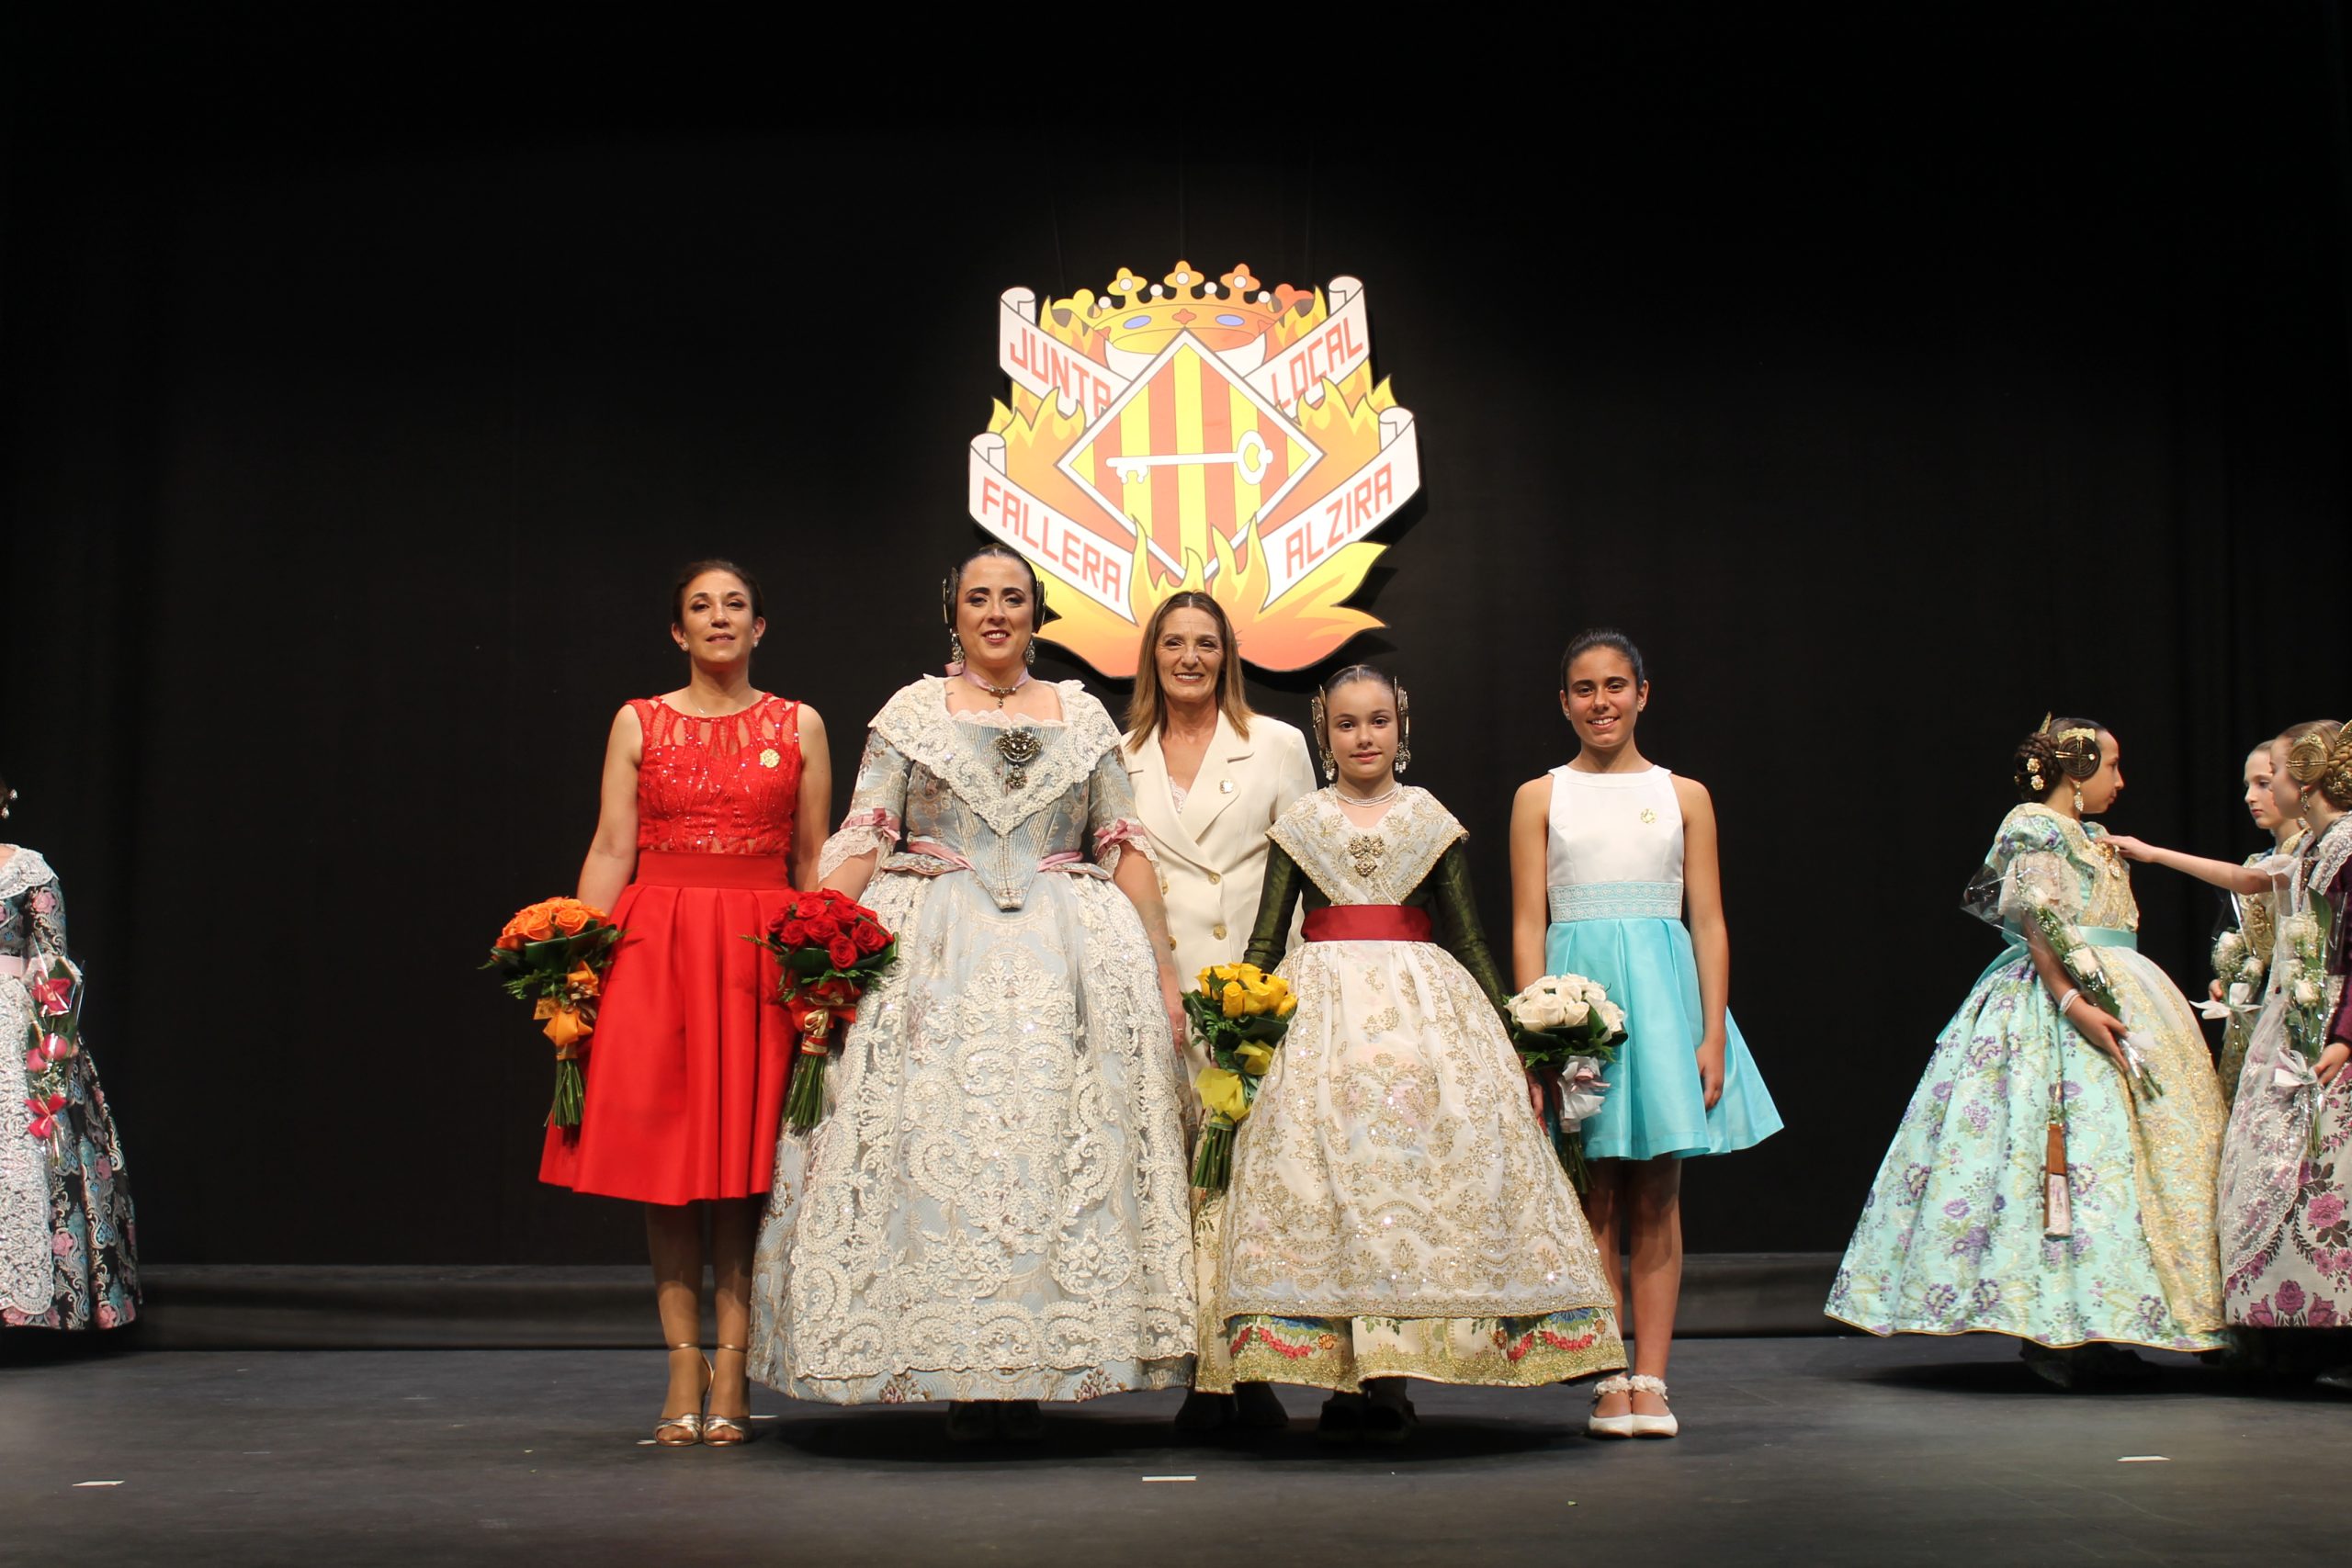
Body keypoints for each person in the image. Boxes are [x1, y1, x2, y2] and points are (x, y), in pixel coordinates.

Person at [746, 544, 1194, 1439]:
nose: (996, 613)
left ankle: (1035, 1368)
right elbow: (868, 832)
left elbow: (1121, 841)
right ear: (952, 613)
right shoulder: (912, 712)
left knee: (1051, 1153)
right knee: (946, 1150)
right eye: (979, 598)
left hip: (1067, 964)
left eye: (1013, 598)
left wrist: (1163, 964)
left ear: (1036, 613)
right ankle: (959, 1370)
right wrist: (818, 932)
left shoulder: (1082, 715)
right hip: (939, 959)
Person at [1201, 665, 1624, 1443]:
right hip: (1322, 1025)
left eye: (1378, 721)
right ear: (1324, 735)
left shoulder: (1430, 819)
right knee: (1333, 1188)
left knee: (1407, 1184)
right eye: (1346, 724)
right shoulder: (1301, 822)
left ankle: (1392, 1381)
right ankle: (1345, 1374)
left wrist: (1517, 1035)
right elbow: (1266, 937)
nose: (1364, 737)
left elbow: (1467, 936)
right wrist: (1237, 1030)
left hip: (1424, 1021)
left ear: (1401, 728)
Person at [1826, 717, 2228, 1385]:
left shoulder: (2093, 836)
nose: (2120, 781)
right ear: (2077, 767)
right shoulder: (2034, 825)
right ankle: (2053, 1332)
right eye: (2112, 765)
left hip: (2126, 989)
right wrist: (2072, 1002)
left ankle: (2105, 1319)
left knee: (2127, 1162)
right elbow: (2040, 922)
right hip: (2055, 1002)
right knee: (2052, 1155)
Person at [538, 561, 832, 1446]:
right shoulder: (638, 719)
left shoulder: (800, 723)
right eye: (700, 607)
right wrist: (575, 963)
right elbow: (611, 846)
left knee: (745, 1165)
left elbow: (813, 856)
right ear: (679, 631)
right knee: (666, 1164)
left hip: (758, 950)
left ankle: (734, 1365)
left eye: (734, 605)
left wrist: (822, 966)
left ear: (759, 626)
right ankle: (681, 1361)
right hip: (656, 947)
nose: (718, 617)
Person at [1508, 629, 1779, 1437]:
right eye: (1584, 688)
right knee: (1593, 1189)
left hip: (1663, 1003)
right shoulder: (1540, 795)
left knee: (1658, 1189)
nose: (1602, 702)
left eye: (1615, 685)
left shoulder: (1683, 793)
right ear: (1564, 701)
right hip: (1579, 1003)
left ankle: (1653, 1376)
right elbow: (1527, 921)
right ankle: (1608, 1374)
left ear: (1643, 693)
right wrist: (1536, 1029)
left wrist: (1712, 1031)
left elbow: (1710, 920)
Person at [1117, 591, 1315, 1435]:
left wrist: (1284, 984)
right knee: (1176, 1182)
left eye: (1205, 643)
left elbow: (1308, 865)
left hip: (1253, 994)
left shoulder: (1276, 743)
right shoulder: (1119, 753)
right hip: (1157, 990)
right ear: (1152, 656)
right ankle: (1196, 1367)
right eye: (1174, 643)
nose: (1190, 658)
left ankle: (1250, 1363)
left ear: (1228, 655)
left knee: (1244, 1186)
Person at [2109, 720, 2352, 1386]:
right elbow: (2248, 881)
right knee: (2270, 1167)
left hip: (2329, 1020)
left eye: (2278, 774)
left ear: (2308, 779)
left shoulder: (2345, 843)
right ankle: (2286, 1334)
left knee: (2324, 1170)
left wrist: (2344, 1032)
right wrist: (2152, 854)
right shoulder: (2313, 847)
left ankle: (2329, 1337)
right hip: (2294, 1016)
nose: (2265, 788)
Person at [0, 771, 139, 1332]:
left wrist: (52, 1040)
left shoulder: (27, 870)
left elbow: (52, 959)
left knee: (28, 1145)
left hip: (14, 1022)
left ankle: (32, 1306)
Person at [2209, 740, 2304, 1100]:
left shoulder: (2308, 854)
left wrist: (2153, 853)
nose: (2250, 797)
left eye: (2264, 783)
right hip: (2255, 1012)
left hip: (2295, 1008)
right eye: (2247, 786)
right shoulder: (2255, 861)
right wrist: (2232, 978)